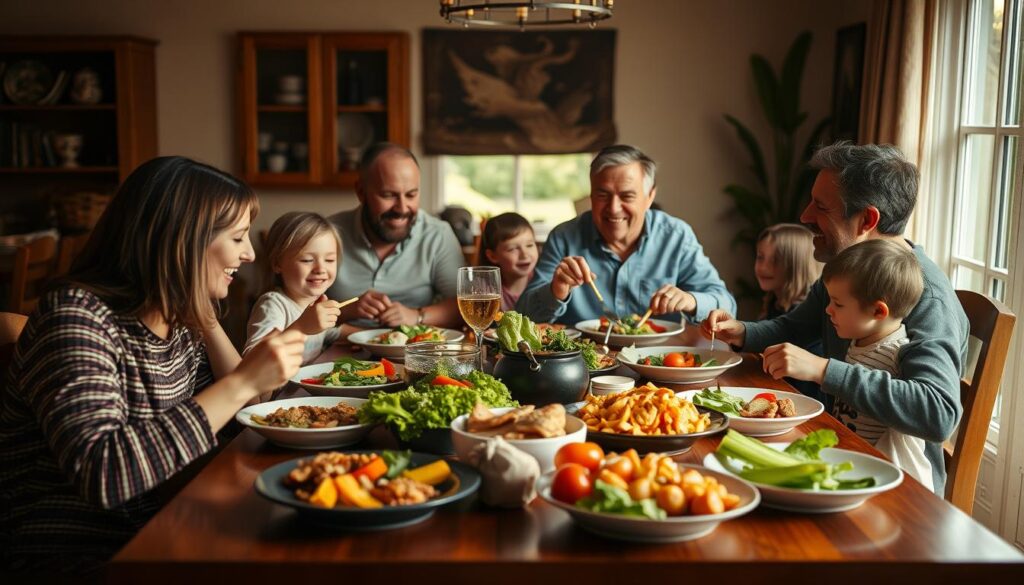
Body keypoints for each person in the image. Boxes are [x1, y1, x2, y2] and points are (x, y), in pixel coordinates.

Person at [0, 157, 307, 572]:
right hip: (77, 552)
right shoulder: (76, 318)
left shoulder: (177, 323)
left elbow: (214, 430)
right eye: (237, 238)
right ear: (182, 241)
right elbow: (105, 475)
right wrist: (242, 384)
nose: (251, 253)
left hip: (161, 526)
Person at [702, 142, 968, 494]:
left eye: (821, 206)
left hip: (900, 486)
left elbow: (937, 413)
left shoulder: (926, 297)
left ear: (867, 220)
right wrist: (740, 331)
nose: (805, 215)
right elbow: (793, 327)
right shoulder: (851, 270)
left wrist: (825, 370)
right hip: (841, 450)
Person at [517, 144, 735, 325]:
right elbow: (524, 317)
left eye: (627, 196)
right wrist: (556, 290)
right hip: (584, 365)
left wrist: (691, 300)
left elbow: (727, 307)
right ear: (591, 195)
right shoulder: (564, 237)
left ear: (650, 196)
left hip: (658, 365)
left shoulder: (676, 236)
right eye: (603, 195)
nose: (613, 208)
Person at [811, 239, 933, 490]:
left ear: (879, 312)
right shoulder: (860, 340)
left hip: (881, 479)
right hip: (851, 464)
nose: (828, 310)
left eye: (839, 304)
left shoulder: (896, 355)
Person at [325, 143, 464, 328]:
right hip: (339, 350)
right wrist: (347, 311)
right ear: (361, 191)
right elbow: (294, 307)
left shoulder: (437, 234)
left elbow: (464, 304)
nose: (402, 208)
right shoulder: (327, 235)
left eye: (411, 195)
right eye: (389, 195)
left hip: (414, 351)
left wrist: (417, 316)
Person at [245, 211, 344, 364]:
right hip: (282, 388)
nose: (320, 268)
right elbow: (252, 361)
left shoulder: (315, 302)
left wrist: (377, 335)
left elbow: (326, 334)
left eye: (330, 260)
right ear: (278, 263)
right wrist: (301, 327)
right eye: (307, 260)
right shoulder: (273, 305)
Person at [755, 224, 821, 319]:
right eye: (760, 257)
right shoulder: (774, 304)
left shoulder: (804, 315)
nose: (763, 268)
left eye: (775, 260)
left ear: (798, 266)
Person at [477, 212, 538, 311]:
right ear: (492, 256)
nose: (525, 255)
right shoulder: (484, 290)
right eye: (512, 249)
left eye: (529, 245)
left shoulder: (545, 283)